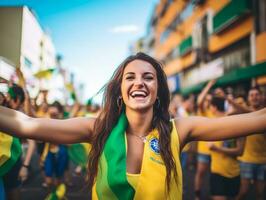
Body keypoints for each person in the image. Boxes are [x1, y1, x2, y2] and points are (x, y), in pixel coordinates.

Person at [0, 52, 265, 200]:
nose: (139, 82)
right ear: (121, 92)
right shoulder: (97, 130)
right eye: (131, 77)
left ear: (158, 91)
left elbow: (255, 119)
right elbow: (26, 124)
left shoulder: (180, 130)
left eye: (148, 77)